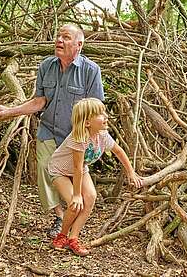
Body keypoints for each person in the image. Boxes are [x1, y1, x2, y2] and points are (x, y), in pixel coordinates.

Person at [0, 24, 104, 238]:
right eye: (58, 36)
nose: (59, 40)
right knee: (45, 169)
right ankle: (60, 218)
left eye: (66, 37)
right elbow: (39, 101)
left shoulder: (91, 70)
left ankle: (73, 221)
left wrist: (93, 138)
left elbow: (96, 109)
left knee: (76, 182)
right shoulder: (46, 66)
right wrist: (9, 112)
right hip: (49, 130)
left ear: (79, 44)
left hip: (75, 137)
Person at [48, 98, 143, 256]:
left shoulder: (102, 135)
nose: (105, 116)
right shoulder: (78, 138)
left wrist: (130, 172)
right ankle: (62, 236)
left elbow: (118, 151)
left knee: (91, 197)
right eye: (99, 114)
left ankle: (73, 238)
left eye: (104, 112)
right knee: (74, 203)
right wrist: (77, 195)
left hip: (79, 169)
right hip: (60, 170)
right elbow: (77, 168)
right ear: (87, 123)